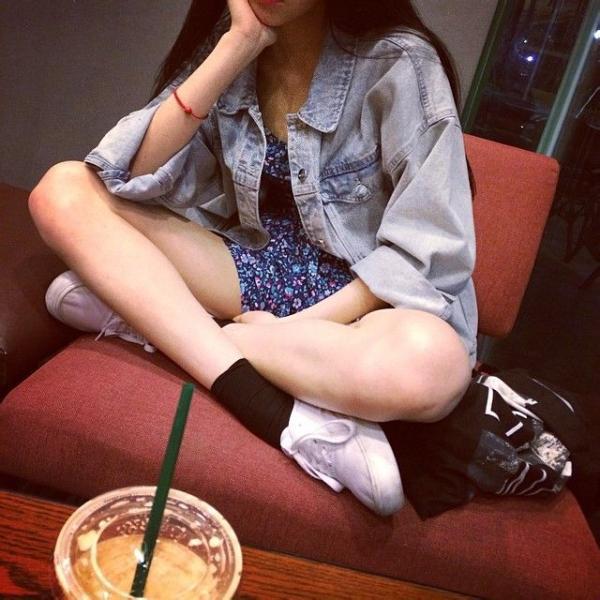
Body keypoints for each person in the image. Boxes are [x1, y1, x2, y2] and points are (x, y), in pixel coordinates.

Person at [28, 0, 478, 516]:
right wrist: (236, 46)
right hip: (258, 267)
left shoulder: (400, 62)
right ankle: (282, 417)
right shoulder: (234, 43)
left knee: (433, 366)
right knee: (63, 191)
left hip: (361, 310)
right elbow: (128, 175)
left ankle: (168, 324)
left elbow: (425, 252)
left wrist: (288, 331)